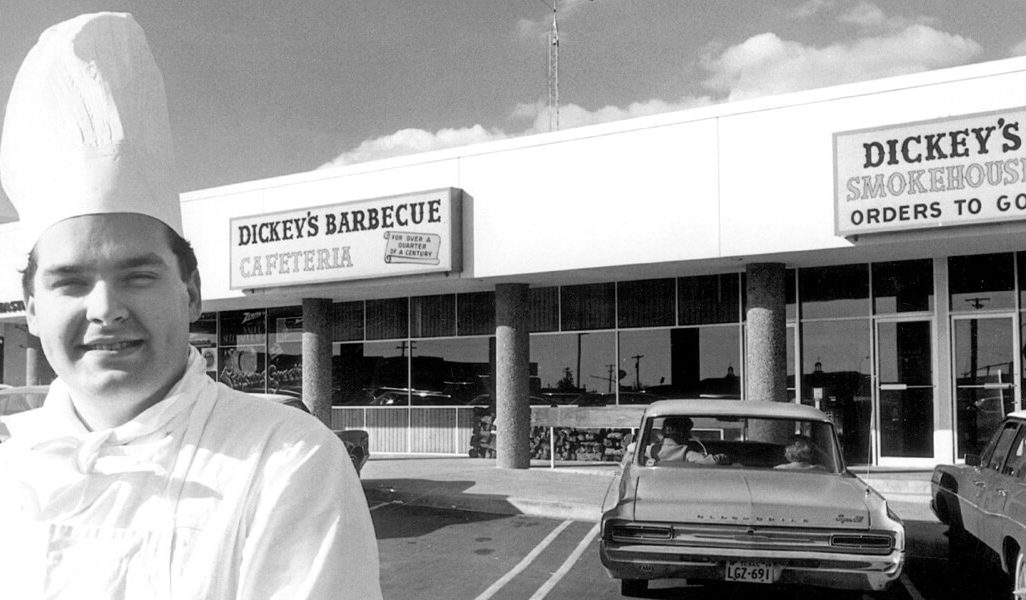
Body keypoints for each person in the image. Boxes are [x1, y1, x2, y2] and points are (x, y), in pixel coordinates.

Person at [0, 13, 382, 599]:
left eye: (138, 275)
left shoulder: (287, 462)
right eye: (70, 282)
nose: (106, 308)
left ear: (192, 291)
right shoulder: (10, 464)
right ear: (30, 307)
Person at [646, 416, 729, 465]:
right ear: (681, 432)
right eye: (687, 430)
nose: (689, 435)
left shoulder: (650, 450)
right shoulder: (686, 453)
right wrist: (725, 456)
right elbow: (712, 462)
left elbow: (633, 450)